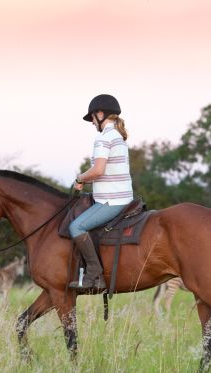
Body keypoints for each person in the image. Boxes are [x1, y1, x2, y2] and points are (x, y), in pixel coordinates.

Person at [69, 94, 133, 290]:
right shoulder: (118, 137)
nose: (92, 123)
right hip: (120, 196)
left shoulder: (103, 137)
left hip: (111, 201)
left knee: (76, 228)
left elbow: (98, 170)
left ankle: (94, 275)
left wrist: (80, 178)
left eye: (92, 119)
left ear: (100, 114)